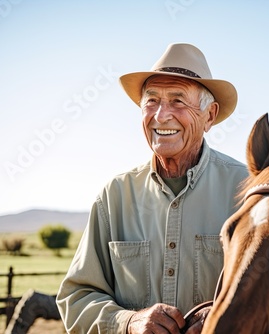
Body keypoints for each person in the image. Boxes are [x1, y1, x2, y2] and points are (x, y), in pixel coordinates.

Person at [56, 43, 248, 333]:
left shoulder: (248, 191)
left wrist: (226, 319)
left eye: (178, 101)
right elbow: (76, 298)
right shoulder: (115, 196)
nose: (161, 115)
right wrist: (129, 322)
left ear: (209, 116)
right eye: (151, 100)